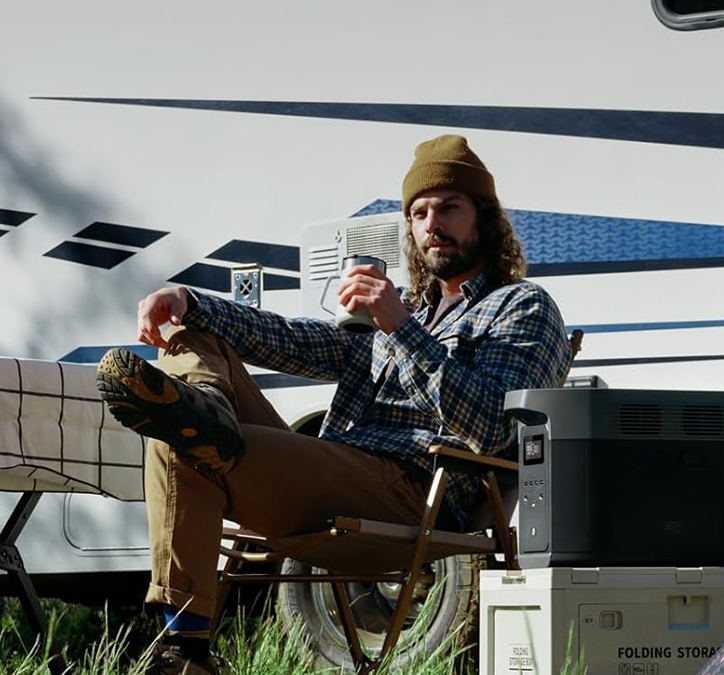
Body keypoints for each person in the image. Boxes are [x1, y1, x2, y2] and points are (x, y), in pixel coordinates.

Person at [95, 134, 572, 674]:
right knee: (194, 352)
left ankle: (185, 653)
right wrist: (190, 300)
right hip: (332, 474)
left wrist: (402, 328)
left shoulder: (522, 306)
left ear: (483, 218)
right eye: (419, 212)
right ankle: (205, 409)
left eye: (449, 208)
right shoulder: (399, 312)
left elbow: (492, 428)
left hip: (408, 491)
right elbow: (288, 339)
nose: (432, 223)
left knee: (186, 438)